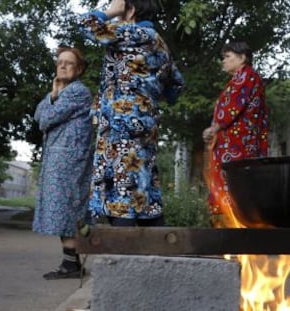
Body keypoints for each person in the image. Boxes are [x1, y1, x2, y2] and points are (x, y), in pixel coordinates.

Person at [78, 0, 184, 227]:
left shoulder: (129, 32)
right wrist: (147, 93)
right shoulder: (160, 43)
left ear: (131, 10)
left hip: (121, 123)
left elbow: (86, 24)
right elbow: (176, 86)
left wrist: (111, 10)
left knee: (121, 189)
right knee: (144, 184)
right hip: (146, 122)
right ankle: (159, 253)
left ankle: (125, 254)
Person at [33, 46, 93, 279]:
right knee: (64, 213)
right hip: (61, 160)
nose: (63, 66)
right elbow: (38, 114)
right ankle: (71, 262)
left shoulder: (77, 92)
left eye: (69, 63)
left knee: (67, 212)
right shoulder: (61, 93)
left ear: (79, 69)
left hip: (69, 162)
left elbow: (45, 119)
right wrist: (53, 95)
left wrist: (54, 99)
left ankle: (72, 263)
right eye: (60, 62)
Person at [202, 41, 269, 228]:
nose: (223, 61)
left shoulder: (246, 77)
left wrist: (214, 129)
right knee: (234, 190)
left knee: (234, 190)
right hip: (234, 146)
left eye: (227, 57)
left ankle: (231, 237)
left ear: (242, 58)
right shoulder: (240, 79)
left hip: (237, 148)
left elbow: (232, 108)